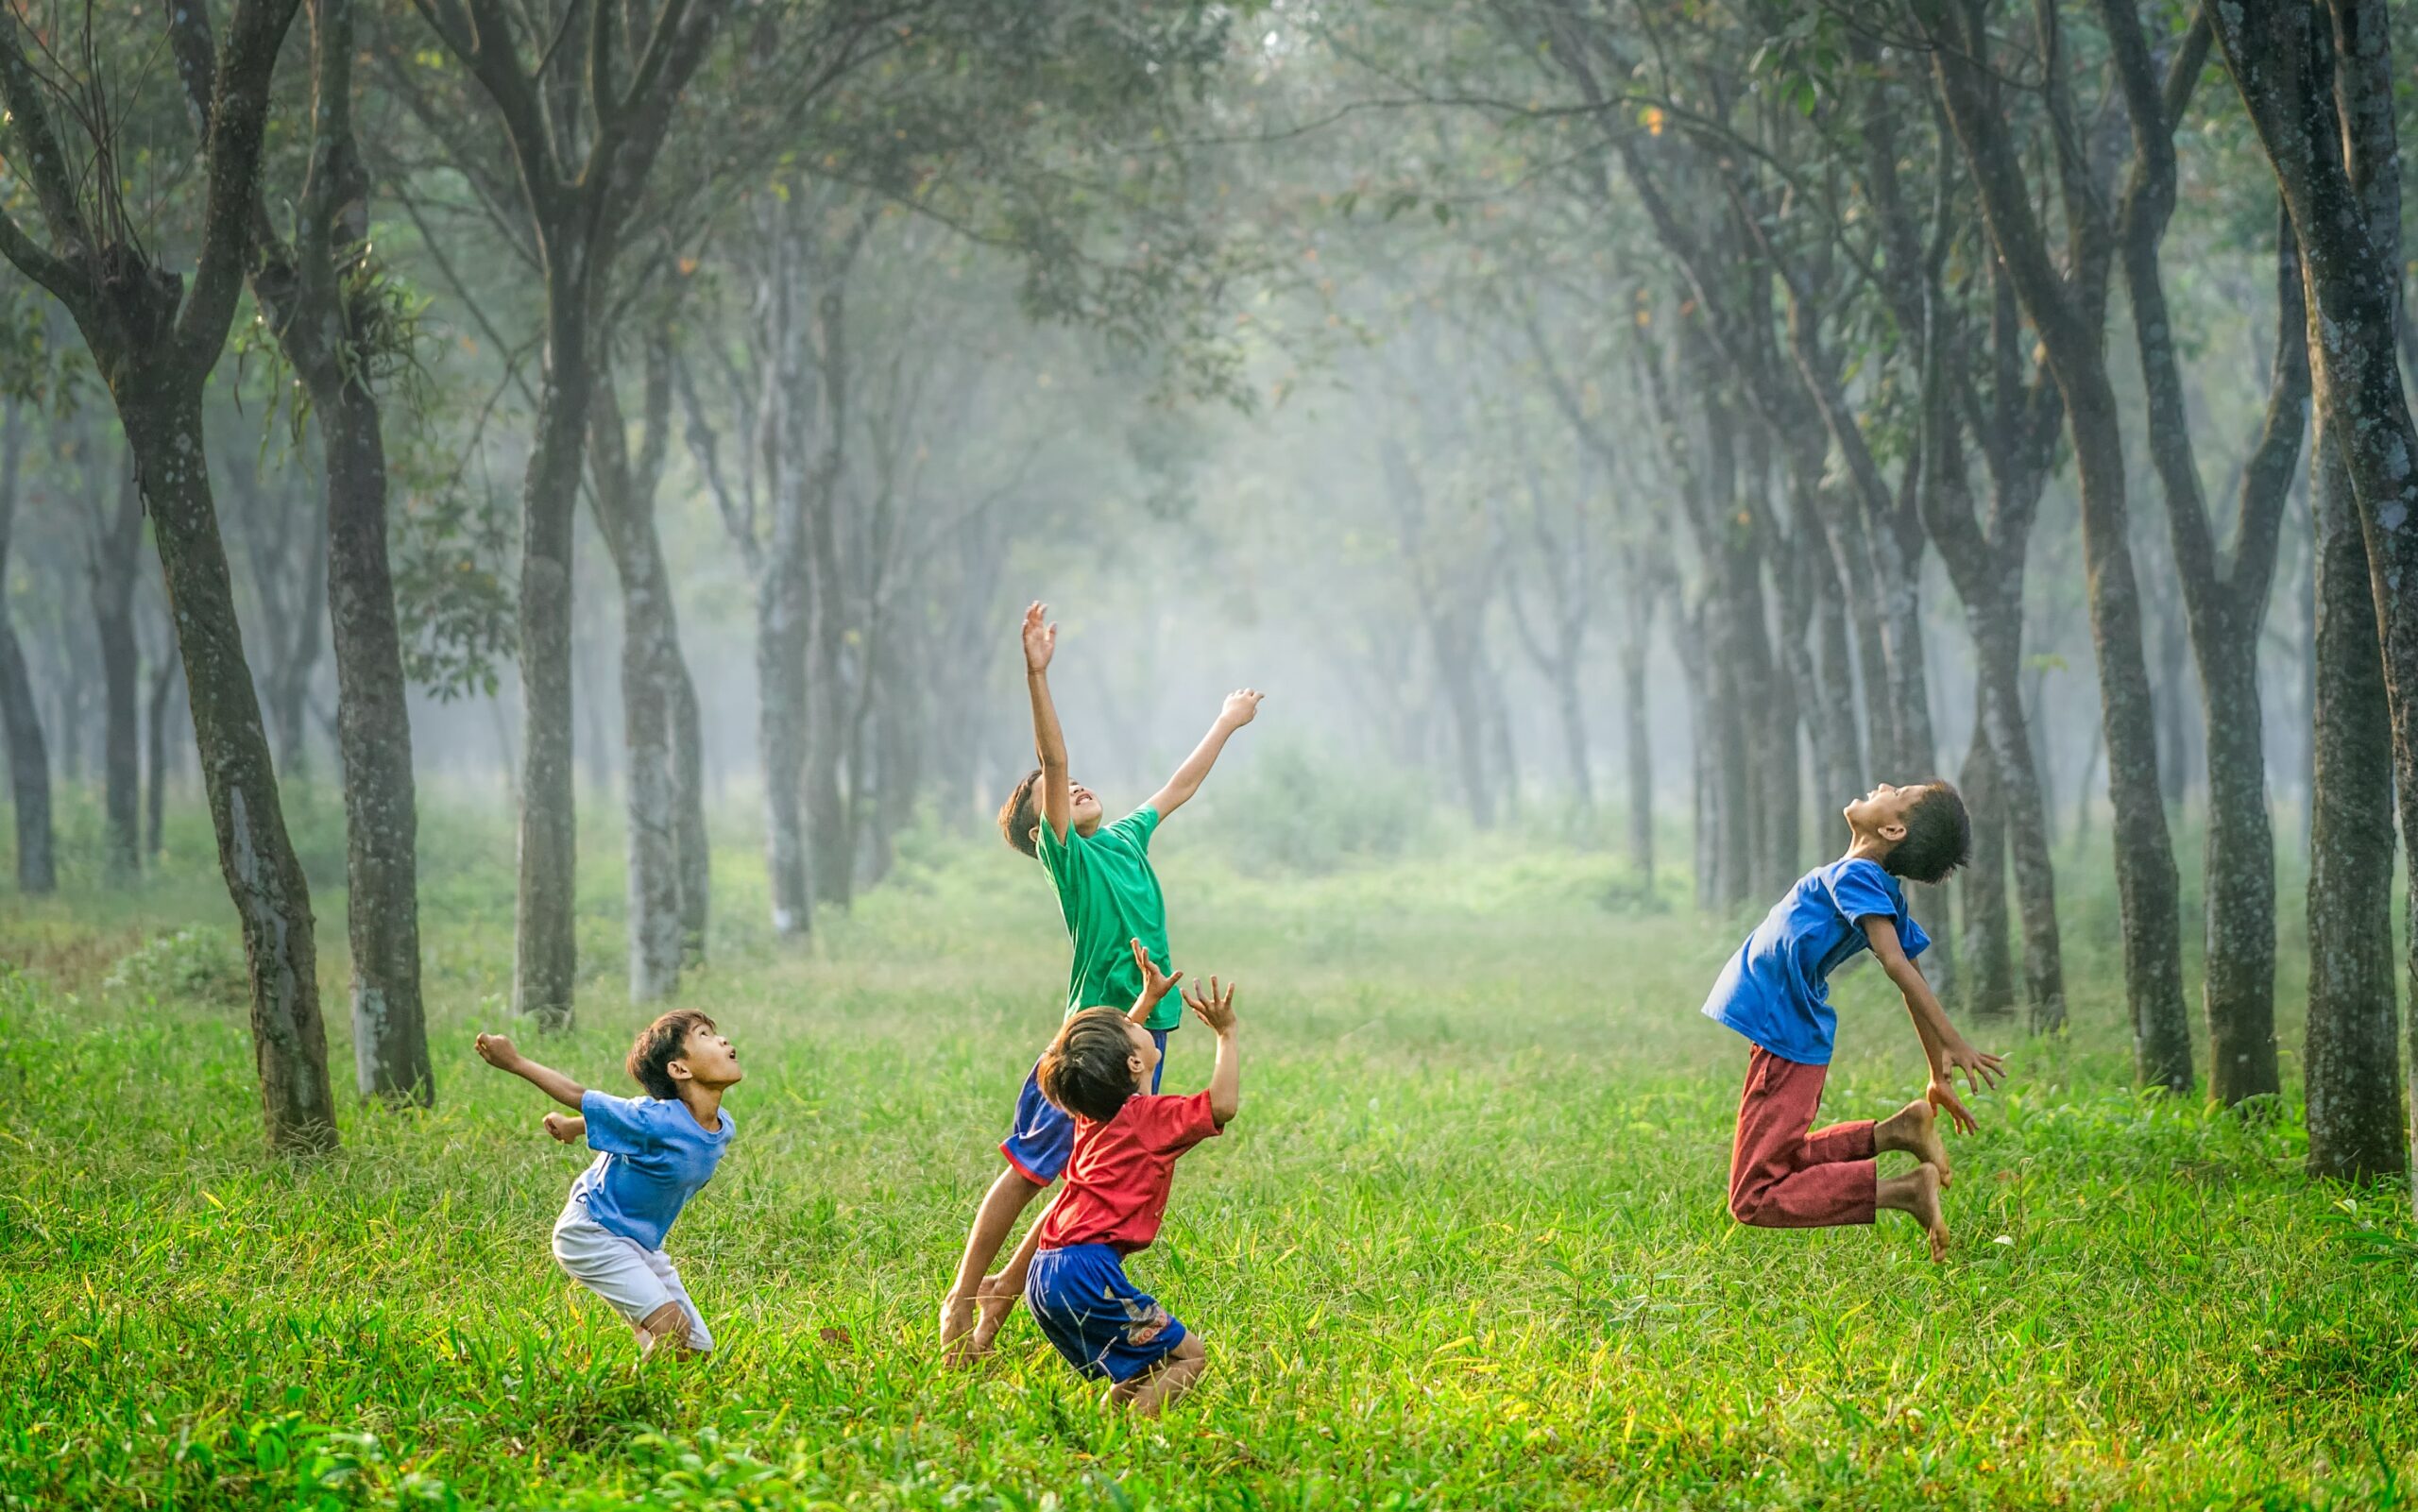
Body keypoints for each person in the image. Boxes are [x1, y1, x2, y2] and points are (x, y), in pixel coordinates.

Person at [938, 601, 1262, 1363]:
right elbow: (1052, 760)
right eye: (1051, 793)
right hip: (1092, 1038)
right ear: (1038, 829)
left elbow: (1178, 786)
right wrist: (1036, 673)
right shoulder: (1070, 859)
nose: (1072, 784)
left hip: (1148, 1033)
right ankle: (963, 1297)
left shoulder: (1122, 837)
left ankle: (992, 1319)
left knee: (1086, 1181)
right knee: (1028, 1170)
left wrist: (1225, 721)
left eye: (1078, 782)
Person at [1702, 781, 2004, 1261]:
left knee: (1754, 1196)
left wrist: (1953, 1042)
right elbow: (1912, 972)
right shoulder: (1868, 881)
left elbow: (1898, 964)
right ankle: (1897, 1132)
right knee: (1780, 1161)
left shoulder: (1860, 876)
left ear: (1892, 828)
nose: (1884, 785)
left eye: (1898, 791)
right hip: (1786, 1033)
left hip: (1785, 1036)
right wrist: (1935, 1071)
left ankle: (1905, 1192)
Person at [1024, 959, 1239, 1416]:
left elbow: (1106, 1055)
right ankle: (1133, 1439)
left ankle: (1105, 1427)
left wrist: (1147, 1000)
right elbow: (1222, 1105)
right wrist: (1226, 1034)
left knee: (1143, 1364)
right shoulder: (1149, 1120)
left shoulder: (1092, 1111)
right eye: (1132, 1030)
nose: (1133, 1024)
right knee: (1189, 1356)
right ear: (1135, 1061)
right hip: (1087, 1276)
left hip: (1046, 1273)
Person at [474, 1011, 741, 1357]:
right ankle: (619, 1401)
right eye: (704, 1035)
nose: (722, 1040)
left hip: (640, 1244)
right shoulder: (653, 1118)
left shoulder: (722, 1126)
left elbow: (628, 1127)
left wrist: (573, 1126)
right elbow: (579, 1094)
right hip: (593, 1232)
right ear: (679, 1069)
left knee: (694, 1350)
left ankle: (654, 1366)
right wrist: (514, 1061)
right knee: (672, 1332)